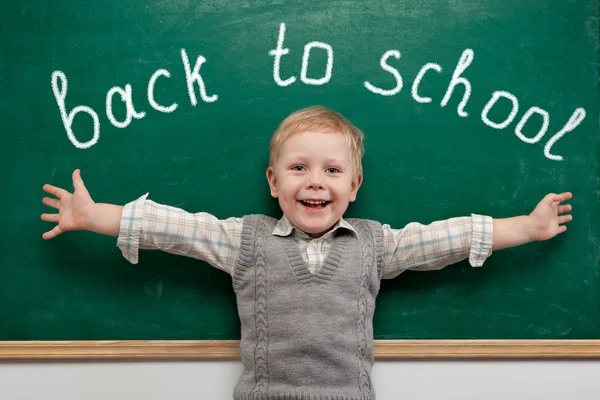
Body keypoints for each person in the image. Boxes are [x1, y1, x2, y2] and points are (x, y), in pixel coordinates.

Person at [41, 106, 573, 400]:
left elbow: (445, 239)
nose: (315, 182)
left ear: (355, 185)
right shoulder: (243, 240)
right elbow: (174, 228)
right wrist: (96, 217)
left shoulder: (374, 244)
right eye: (299, 168)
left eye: (332, 170)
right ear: (273, 182)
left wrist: (526, 227)